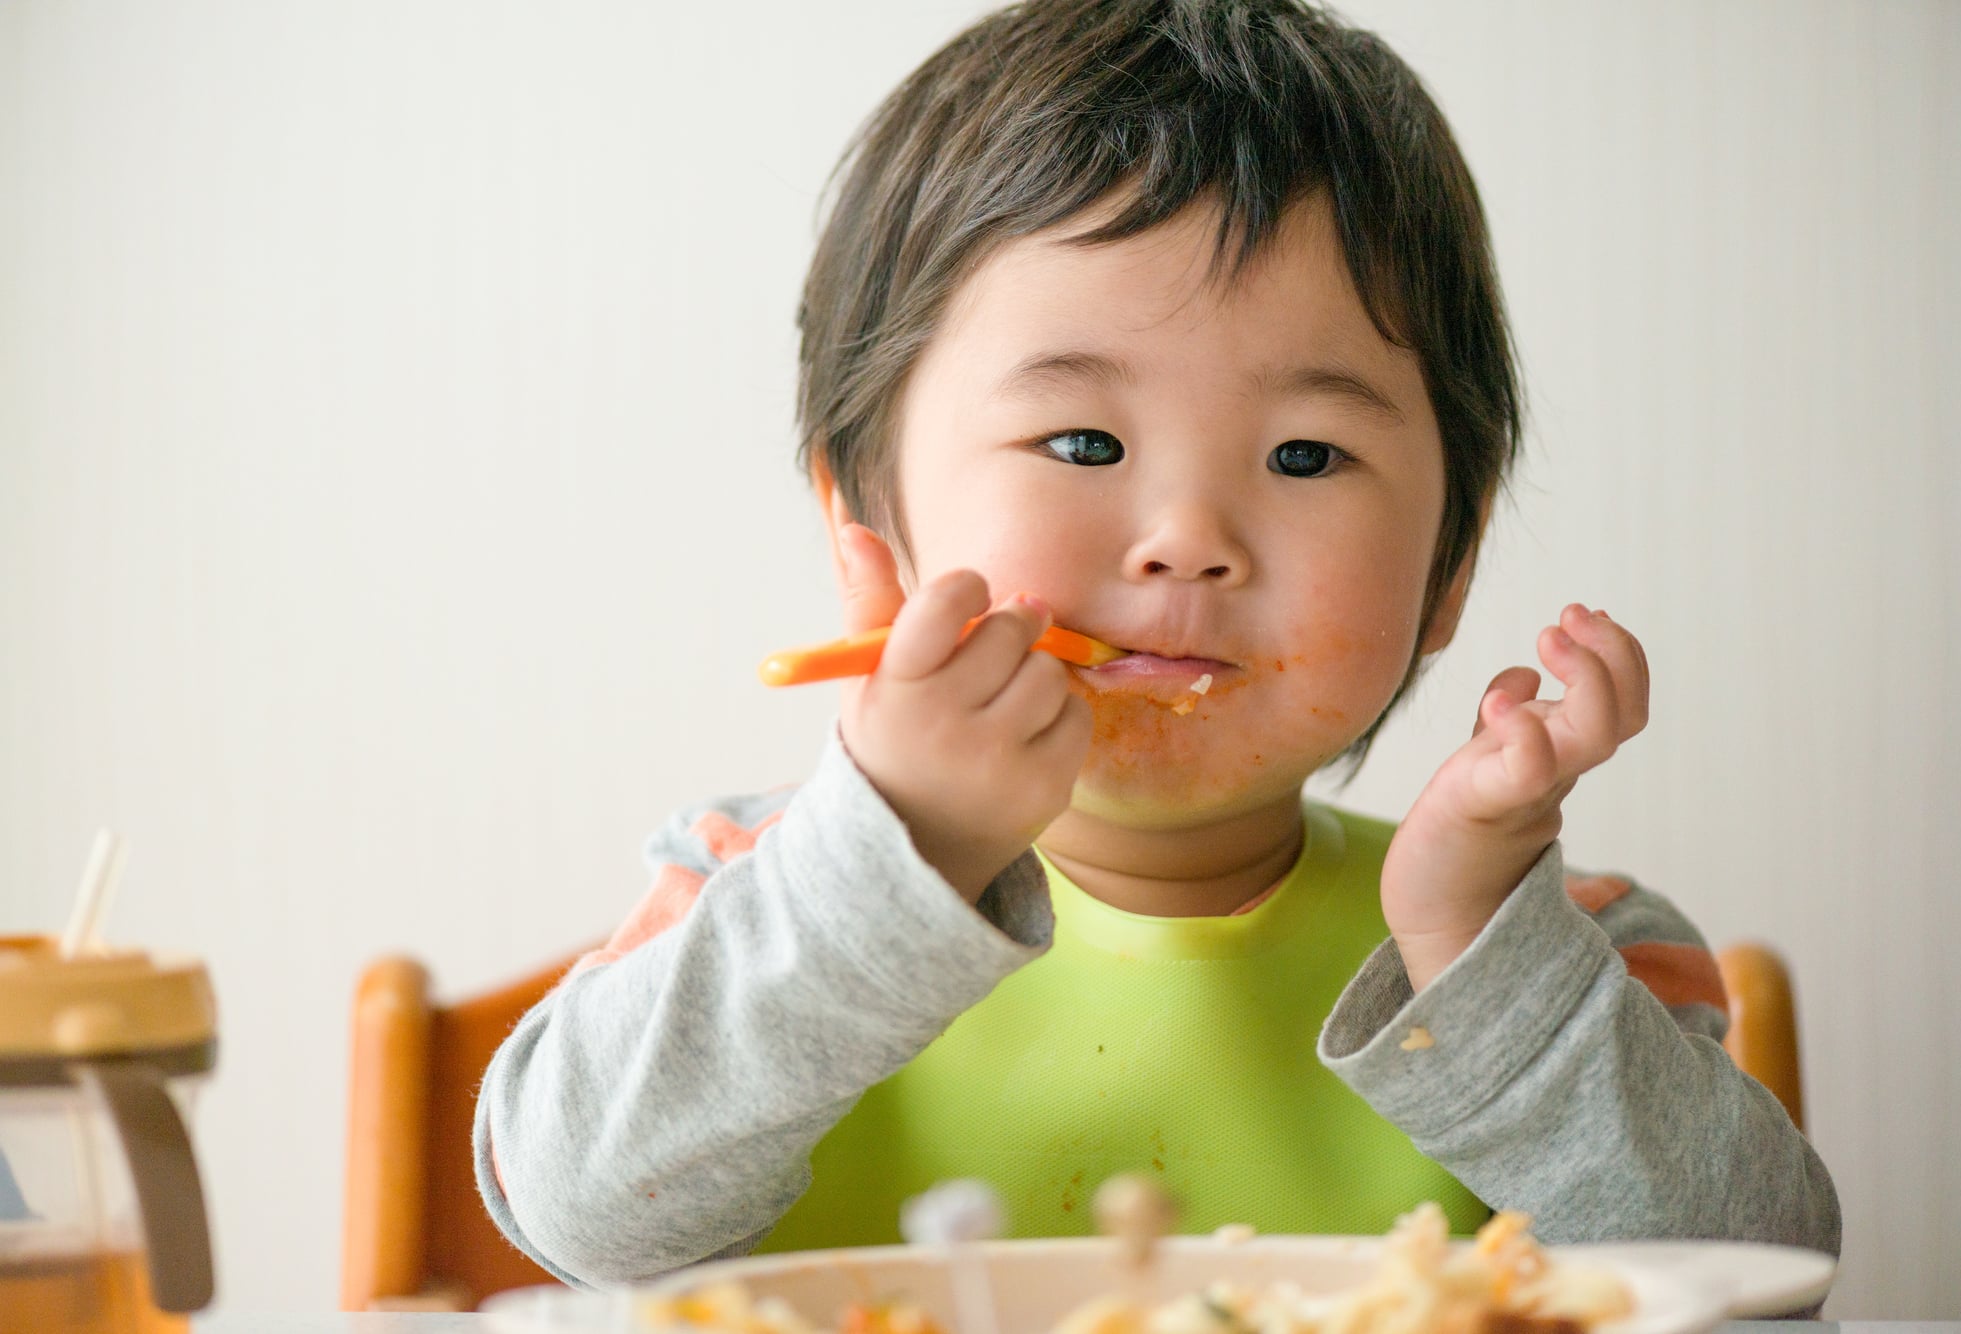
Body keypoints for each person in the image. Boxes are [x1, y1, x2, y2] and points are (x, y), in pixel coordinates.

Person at [474, 0, 1840, 1290]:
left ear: (1450, 562)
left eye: (1307, 453)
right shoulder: (750, 893)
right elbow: (575, 1211)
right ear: (867, 529)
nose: (1188, 536)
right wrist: (893, 864)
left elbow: (1772, 1278)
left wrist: (1479, 943)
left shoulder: (1561, 944)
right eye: (1082, 442)